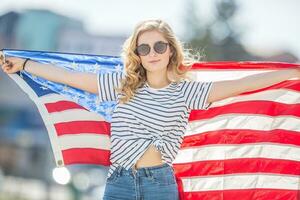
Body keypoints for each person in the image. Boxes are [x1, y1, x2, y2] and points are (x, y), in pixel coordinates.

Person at [1, 19, 299, 200]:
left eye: (159, 46)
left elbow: (244, 84)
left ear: (170, 49)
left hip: (159, 185)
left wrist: (291, 73)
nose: (152, 53)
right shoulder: (122, 84)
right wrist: (25, 64)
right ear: (137, 55)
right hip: (118, 183)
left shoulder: (187, 91)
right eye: (144, 48)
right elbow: (70, 78)